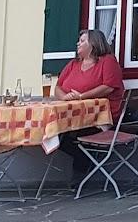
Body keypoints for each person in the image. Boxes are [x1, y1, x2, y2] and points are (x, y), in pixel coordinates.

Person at [53, 28, 125, 183]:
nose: (78, 43)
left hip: (100, 117)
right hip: (73, 114)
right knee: (53, 133)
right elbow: (57, 87)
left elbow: (108, 86)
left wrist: (81, 96)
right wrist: (65, 97)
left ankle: (80, 171)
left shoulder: (107, 61)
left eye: (82, 41)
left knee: (77, 135)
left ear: (93, 43)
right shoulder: (73, 64)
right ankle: (85, 159)